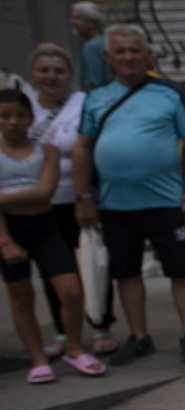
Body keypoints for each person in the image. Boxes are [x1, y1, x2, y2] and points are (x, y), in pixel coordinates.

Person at [72, 24, 185, 364]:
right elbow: (82, 148)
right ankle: (139, 336)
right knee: (126, 272)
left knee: (180, 270)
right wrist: (82, 197)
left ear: (147, 54)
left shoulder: (170, 92)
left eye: (135, 50)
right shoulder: (96, 97)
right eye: (121, 51)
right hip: (115, 205)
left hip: (165, 201)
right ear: (108, 57)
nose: (129, 57)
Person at [0, 90, 105, 383]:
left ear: (31, 119)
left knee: (71, 291)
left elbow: (45, 193)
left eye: (20, 115)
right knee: (21, 298)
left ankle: (73, 345)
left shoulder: (47, 151)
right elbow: (33, 195)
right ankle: (37, 358)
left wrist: (3, 199)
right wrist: (5, 242)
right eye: (5, 116)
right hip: (9, 234)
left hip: (45, 228)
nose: (13, 122)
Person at [21, 43, 116, 356]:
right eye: (44, 70)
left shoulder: (82, 103)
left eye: (59, 71)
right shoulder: (23, 107)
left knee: (92, 261)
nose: (51, 77)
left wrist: (86, 196)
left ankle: (100, 323)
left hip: (78, 198)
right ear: (32, 74)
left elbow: (91, 149)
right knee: (52, 270)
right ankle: (63, 331)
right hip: (36, 204)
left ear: (70, 75)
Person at [70, 2, 112, 91]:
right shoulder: (108, 41)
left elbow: (93, 83)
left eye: (77, 18)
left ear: (92, 23)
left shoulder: (91, 47)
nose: (72, 22)